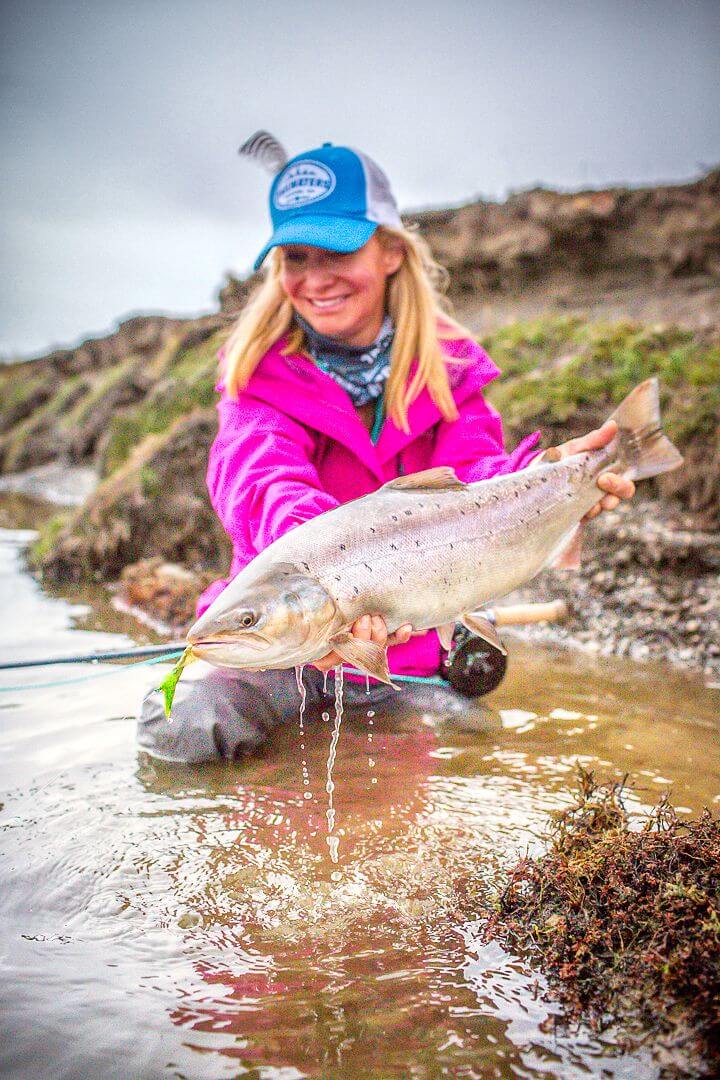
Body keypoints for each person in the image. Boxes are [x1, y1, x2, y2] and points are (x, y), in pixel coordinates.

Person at [137, 143, 634, 763]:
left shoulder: (451, 373)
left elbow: (478, 477)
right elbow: (259, 474)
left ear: (393, 251)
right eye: (296, 257)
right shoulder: (254, 378)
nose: (316, 278)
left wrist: (549, 481)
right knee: (180, 730)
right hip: (269, 641)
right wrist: (317, 577)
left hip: (404, 654)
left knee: (475, 752)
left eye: (338, 251)